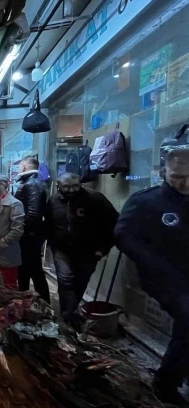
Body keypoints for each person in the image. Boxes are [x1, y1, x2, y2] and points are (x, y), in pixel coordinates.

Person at [115, 148, 189, 406]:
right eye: (178, 176)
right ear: (164, 172)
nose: (185, 183)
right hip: (165, 280)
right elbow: (123, 236)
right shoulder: (146, 201)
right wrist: (155, 263)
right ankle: (166, 382)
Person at [44, 173, 118, 326]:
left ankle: (70, 310)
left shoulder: (95, 199)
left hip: (89, 251)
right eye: (66, 186)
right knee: (65, 279)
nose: (71, 190)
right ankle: (69, 315)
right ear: (59, 186)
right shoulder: (53, 201)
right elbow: (48, 225)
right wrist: (52, 242)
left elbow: (114, 223)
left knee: (80, 281)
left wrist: (103, 249)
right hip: (61, 250)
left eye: (75, 186)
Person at [13, 157, 49, 301]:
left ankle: (44, 305)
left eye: (20, 165)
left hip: (29, 237)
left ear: (25, 166)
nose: (18, 168)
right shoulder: (30, 183)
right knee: (25, 271)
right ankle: (25, 302)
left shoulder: (32, 184)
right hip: (29, 235)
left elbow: (33, 214)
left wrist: (17, 228)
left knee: (34, 271)